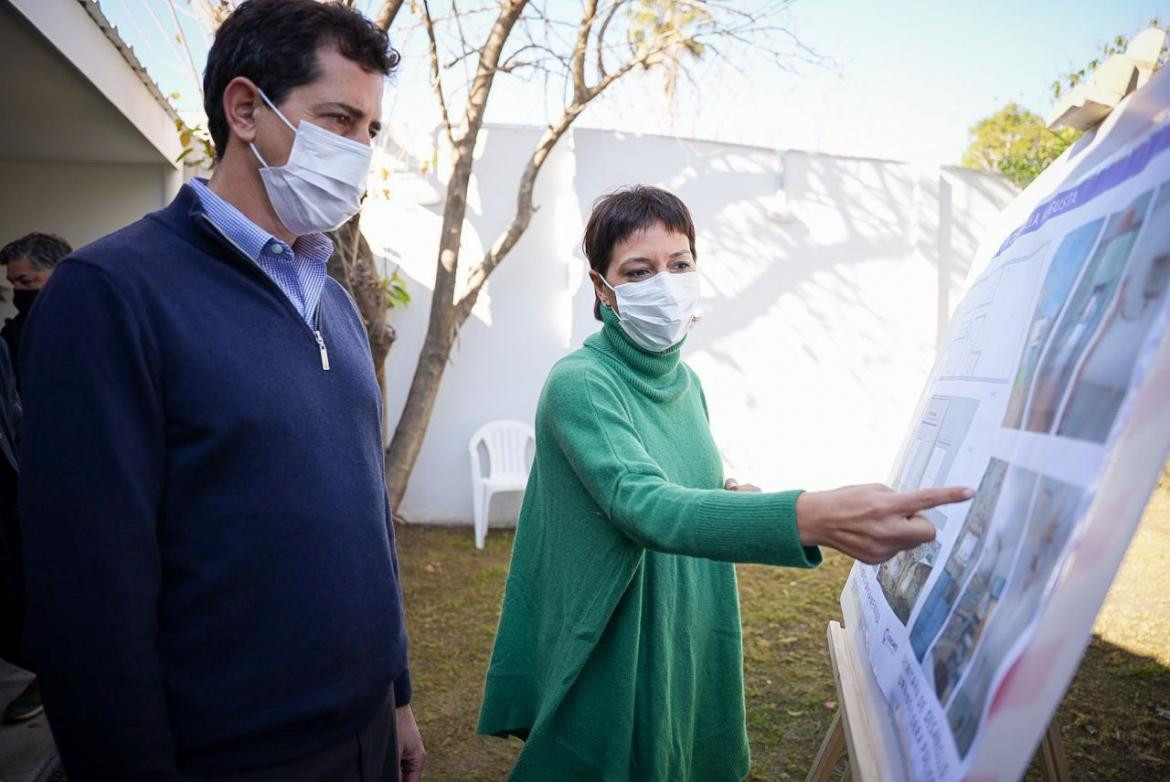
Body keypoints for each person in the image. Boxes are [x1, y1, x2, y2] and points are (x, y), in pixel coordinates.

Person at [19, 2, 424, 780]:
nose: (361, 152)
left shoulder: (333, 299)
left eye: (371, 130)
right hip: (236, 757)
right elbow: (87, 604)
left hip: (367, 734)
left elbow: (366, 509)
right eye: (339, 118)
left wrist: (397, 695)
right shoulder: (109, 294)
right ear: (245, 109)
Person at [477, 185, 973, 781]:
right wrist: (810, 517)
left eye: (679, 264)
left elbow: (684, 479)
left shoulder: (688, 383)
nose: (665, 282)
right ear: (602, 288)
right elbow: (644, 505)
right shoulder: (581, 383)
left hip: (688, 616)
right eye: (639, 270)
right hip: (620, 635)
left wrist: (725, 492)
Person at [0, 232, 71, 387]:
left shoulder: (95, 322)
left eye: (25, 281)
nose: (17, 290)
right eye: (13, 283)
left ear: (59, 275)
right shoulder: (12, 335)